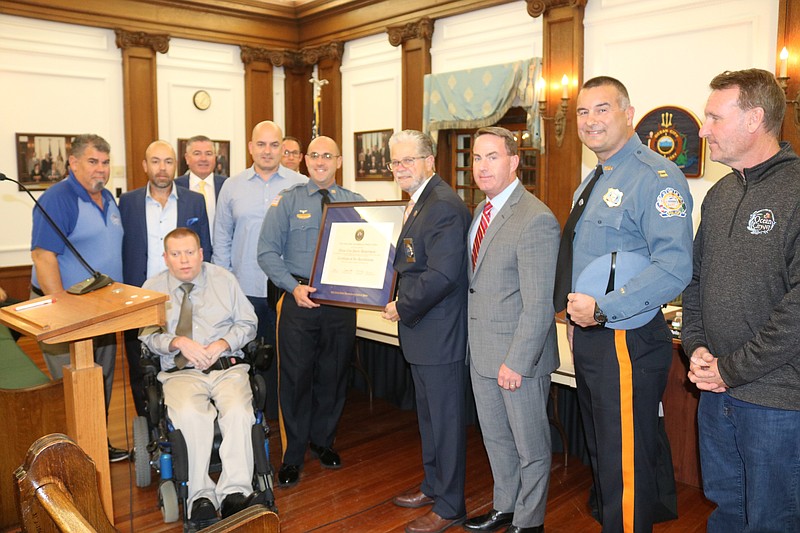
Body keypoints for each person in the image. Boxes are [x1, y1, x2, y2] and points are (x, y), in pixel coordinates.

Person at [554, 76, 693, 533]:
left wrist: (603, 310)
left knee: (623, 461)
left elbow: (674, 268)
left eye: (602, 109)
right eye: (582, 112)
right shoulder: (591, 181)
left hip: (625, 337)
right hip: (594, 336)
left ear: (628, 113)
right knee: (606, 453)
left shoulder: (656, 177)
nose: (590, 121)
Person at [682, 68, 800, 533]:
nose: (704, 128)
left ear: (754, 119)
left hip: (777, 401)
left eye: (714, 116)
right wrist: (697, 349)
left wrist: (731, 369)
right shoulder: (720, 193)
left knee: (773, 521)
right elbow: (694, 281)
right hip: (715, 393)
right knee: (726, 512)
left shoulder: (796, 191)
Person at [464, 127, 559, 533]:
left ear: (514, 161)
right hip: (482, 353)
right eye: (477, 158)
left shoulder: (535, 218)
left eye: (492, 157)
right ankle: (504, 506)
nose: (482, 166)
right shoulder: (481, 211)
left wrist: (516, 363)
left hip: (518, 361)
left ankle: (529, 520)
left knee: (530, 447)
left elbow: (538, 304)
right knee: (496, 441)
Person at [257, 135, 364, 488]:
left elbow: (374, 251)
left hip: (341, 304)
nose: (320, 161)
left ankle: (323, 441)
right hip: (299, 299)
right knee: (296, 378)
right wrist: (293, 287)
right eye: (314, 155)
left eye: (327, 155)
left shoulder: (356, 202)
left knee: (333, 376)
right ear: (305, 160)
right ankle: (292, 454)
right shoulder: (288, 201)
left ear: (339, 160)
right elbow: (267, 253)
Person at [140, 228, 264, 524]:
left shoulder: (224, 279)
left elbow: (248, 322)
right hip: (180, 372)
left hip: (226, 367)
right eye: (176, 254)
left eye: (190, 252)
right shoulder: (153, 287)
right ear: (165, 257)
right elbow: (146, 334)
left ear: (201, 253)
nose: (184, 260)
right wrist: (177, 342)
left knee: (238, 410)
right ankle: (201, 496)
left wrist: (223, 343)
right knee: (191, 414)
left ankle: (235, 492)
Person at [381, 129, 471, 533]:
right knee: (430, 420)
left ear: (430, 161)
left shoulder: (444, 205)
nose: (401, 168)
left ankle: (450, 506)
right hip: (423, 334)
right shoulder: (420, 203)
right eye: (395, 162)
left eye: (408, 160)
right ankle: (433, 485)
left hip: (440, 334)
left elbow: (443, 275)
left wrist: (402, 304)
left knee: (447, 423)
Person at [29, 133, 128, 462]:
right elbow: (44, 257)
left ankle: (98, 442)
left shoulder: (108, 199)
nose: (100, 169)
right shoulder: (58, 198)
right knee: (70, 386)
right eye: (92, 161)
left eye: (105, 162)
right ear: (72, 163)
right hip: (65, 311)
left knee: (101, 378)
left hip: (103, 309)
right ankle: (75, 455)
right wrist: (62, 312)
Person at [213, 121, 306, 420]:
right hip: (244, 289)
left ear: (283, 147)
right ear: (251, 147)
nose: (267, 151)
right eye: (261, 144)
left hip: (287, 289)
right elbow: (222, 239)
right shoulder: (232, 186)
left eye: (274, 144)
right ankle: (250, 417)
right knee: (247, 357)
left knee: (286, 357)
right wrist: (224, 286)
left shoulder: (301, 185)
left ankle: (283, 416)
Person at [119, 140, 211, 416]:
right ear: (145, 166)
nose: (162, 168)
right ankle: (147, 423)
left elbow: (205, 248)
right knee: (140, 364)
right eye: (156, 161)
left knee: (180, 360)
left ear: (176, 165)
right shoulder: (127, 202)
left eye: (168, 161)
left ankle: (180, 419)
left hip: (182, 297)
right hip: (139, 297)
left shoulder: (195, 201)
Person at [175, 135, 228, 244]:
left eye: (208, 154)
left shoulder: (228, 185)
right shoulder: (175, 187)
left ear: (215, 157)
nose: (203, 159)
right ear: (187, 158)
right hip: (185, 254)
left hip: (221, 254)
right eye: (197, 153)